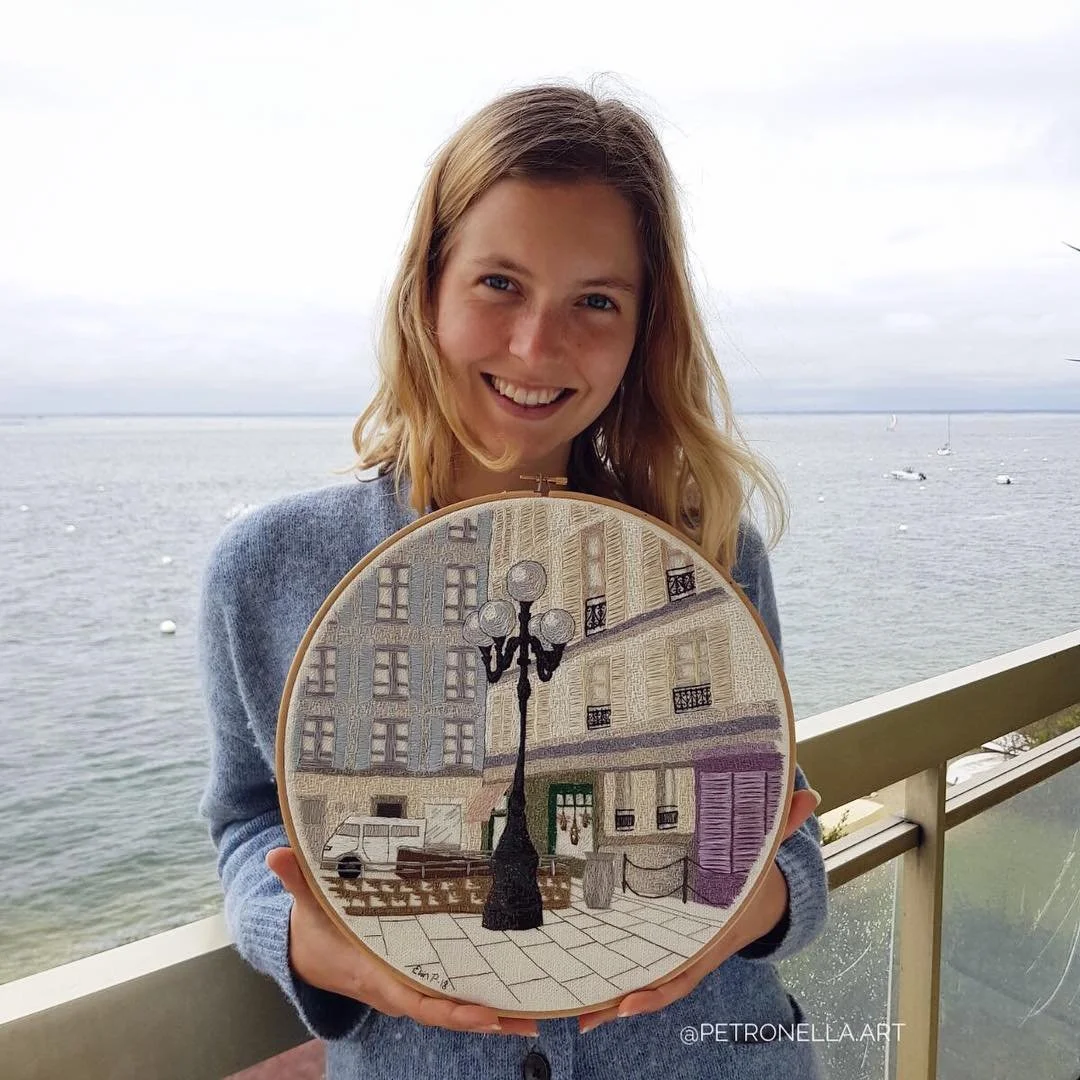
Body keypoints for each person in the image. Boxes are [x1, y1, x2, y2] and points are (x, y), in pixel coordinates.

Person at [199, 82, 828, 1080]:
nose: (537, 347)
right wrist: (303, 941)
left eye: (596, 301)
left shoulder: (708, 546)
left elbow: (777, 808)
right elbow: (247, 819)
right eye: (499, 283)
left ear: (643, 331)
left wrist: (763, 900)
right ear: (428, 289)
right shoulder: (269, 566)